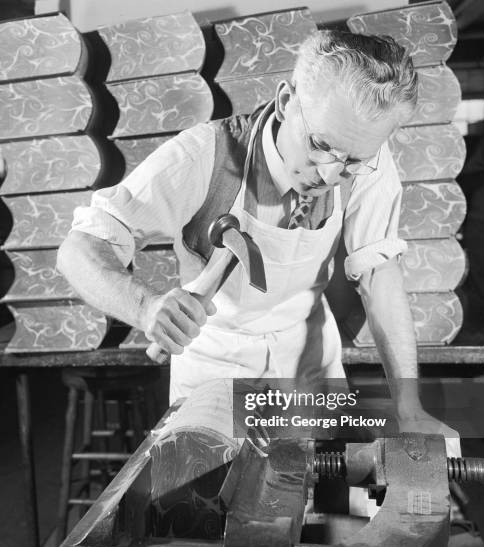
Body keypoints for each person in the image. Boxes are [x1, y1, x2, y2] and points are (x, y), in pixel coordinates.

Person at [57, 30, 460, 455]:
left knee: (328, 501)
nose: (329, 173)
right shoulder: (204, 157)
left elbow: (379, 275)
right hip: (218, 371)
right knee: (210, 504)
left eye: (352, 161)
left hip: (310, 366)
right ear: (287, 101)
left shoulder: (366, 159)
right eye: (320, 145)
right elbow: (79, 249)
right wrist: (145, 307)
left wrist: (409, 408)